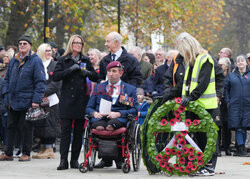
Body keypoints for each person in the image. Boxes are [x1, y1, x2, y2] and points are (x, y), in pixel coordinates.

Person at [177, 32, 224, 176]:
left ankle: (209, 166)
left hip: (206, 105)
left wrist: (190, 97)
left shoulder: (205, 60)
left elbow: (202, 84)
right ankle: (199, 163)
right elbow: (187, 84)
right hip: (194, 105)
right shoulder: (192, 62)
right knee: (197, 136)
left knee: (207, 137)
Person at [53, 34, 98, 170]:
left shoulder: (85, 59)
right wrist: (70, 70)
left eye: (81, 43)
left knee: (79, 132)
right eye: (76, 43)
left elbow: (96, 76)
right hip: (66, 99)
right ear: (71, 44)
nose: (79, 45)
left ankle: (74, 160)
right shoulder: (63, 59)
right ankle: (63, 160)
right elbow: (56, 76)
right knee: (65, 131)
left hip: (80, 100)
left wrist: (88, 74)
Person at [0, 34, 46, 161]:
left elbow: (40, 82)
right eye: (20, 43)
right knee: (10, 127)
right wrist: (5, 93)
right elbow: (6, 79)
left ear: (30, 45)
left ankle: (26, 153)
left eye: (25, 43)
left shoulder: (36, 60)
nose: (22, 46)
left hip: (27, 101)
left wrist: (36, 100)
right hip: (12, 100)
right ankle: (8, 153)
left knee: (26, 127)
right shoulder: (14, 60)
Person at [86, 61, 138, 169]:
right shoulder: (99, 87)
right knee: (99, 127)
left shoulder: (129, 89)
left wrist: (119, 113)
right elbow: (88, 107)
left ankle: (119, 158)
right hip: (101, 117)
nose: (110, 74)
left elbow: (134, 109)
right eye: (109, 71)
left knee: (110, 126)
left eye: (114, 71)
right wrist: (94, 113)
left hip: (119, 118)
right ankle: (106, 159)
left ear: (121, 73)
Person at [32, 43, 61, 159]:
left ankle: (50, 148)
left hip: (52, 99)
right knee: (40, 123)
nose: (49, 53)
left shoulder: (55, 65)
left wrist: (43, 93)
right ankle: (43, 147)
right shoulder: (38, 64)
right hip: (39, 100)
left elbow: (56, 82)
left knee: (50, 123)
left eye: (50, 51)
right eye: (46, 51)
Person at [224, 55, 250, 157]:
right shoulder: (231, 75)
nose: (240, 63)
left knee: (244, 127)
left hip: (247, 105)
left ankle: (241, 148)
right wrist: (227, 101)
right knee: (238, 127)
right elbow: (226, 89)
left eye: (242, 61)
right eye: (238, 61)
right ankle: (240, 148)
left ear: (246, 62)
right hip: (234, 105)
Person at [218, 57, 232, 156]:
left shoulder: (231, 77)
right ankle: (217, 148)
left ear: (226, 67)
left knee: (227, 126)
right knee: (217, 125)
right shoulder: (216, 76)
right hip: (217, 102)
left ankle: (227, 147)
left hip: (227, 103)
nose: (219, 67)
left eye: (221, 65)